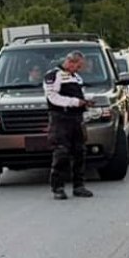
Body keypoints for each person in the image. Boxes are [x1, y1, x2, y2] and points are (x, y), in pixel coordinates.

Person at [44, 51, 95, 199]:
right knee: (62, 152)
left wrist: (86, 101)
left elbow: (80, 95)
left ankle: (79, 186)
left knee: (80, 152)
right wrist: (74, 102)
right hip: (61, 118)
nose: (78, 69)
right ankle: (57, 187)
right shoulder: (54, 75)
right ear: (70, 62)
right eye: (78, 66)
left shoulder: (76, 77)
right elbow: (53, 97)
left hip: (77, 118)